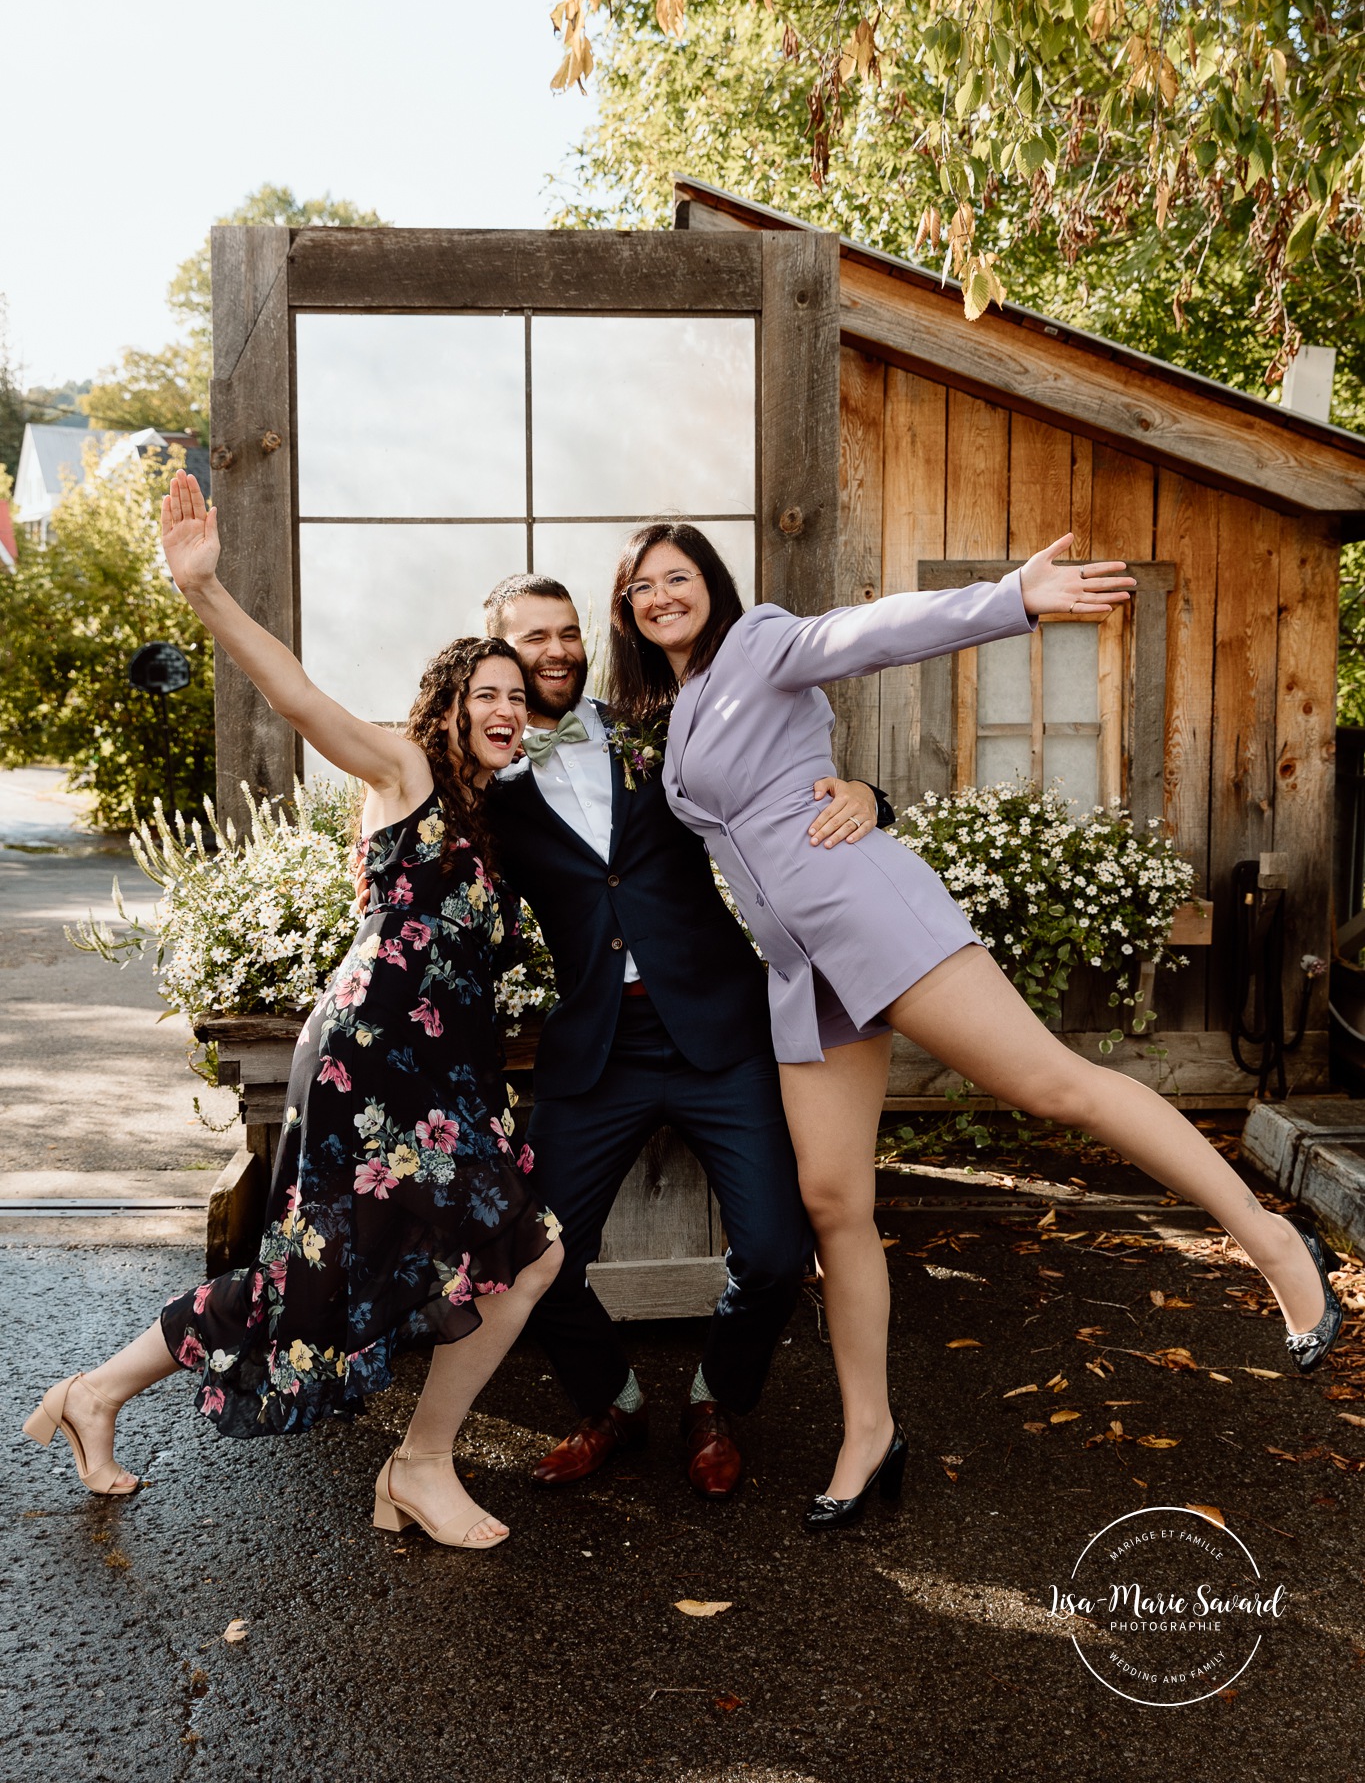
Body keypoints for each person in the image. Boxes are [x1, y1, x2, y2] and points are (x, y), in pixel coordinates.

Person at [607, 520, 1345, 1530]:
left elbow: (874, 630)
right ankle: (869, 1431)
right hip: (800, 966)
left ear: (713, 584)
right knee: (832, 1202)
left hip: (866, 910)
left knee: (1052, 1082)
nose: (659, 595)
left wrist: (1012, 600)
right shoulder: (675, 707)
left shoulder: (761, 642)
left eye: (676, 575)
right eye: (641, 585)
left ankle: (1272, 1242)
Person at [22, 471, 564, 1552]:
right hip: (367, 1067)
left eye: (519, 695)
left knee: (328, 1275)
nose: (507, 710)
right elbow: (300, 697)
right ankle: (415, 1465)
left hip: (442, 1081)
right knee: (511, 1251)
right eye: (487, 693)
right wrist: (208, 594)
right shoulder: (404, 770)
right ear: (448, 704)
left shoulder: (493, 817)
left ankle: (99, 1392)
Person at [476, 571, 895, 1497]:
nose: (554, 652)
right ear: (498, 653)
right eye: (530, 639)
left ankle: (715, 1399)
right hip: (595, 1050)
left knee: (780, 1254)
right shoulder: (485, 786)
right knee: (532, 1252)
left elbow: (775, 784)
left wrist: (866, 793)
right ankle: (611, 1403)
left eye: (566, 633)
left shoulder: (649, 731)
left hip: (720, 1029)